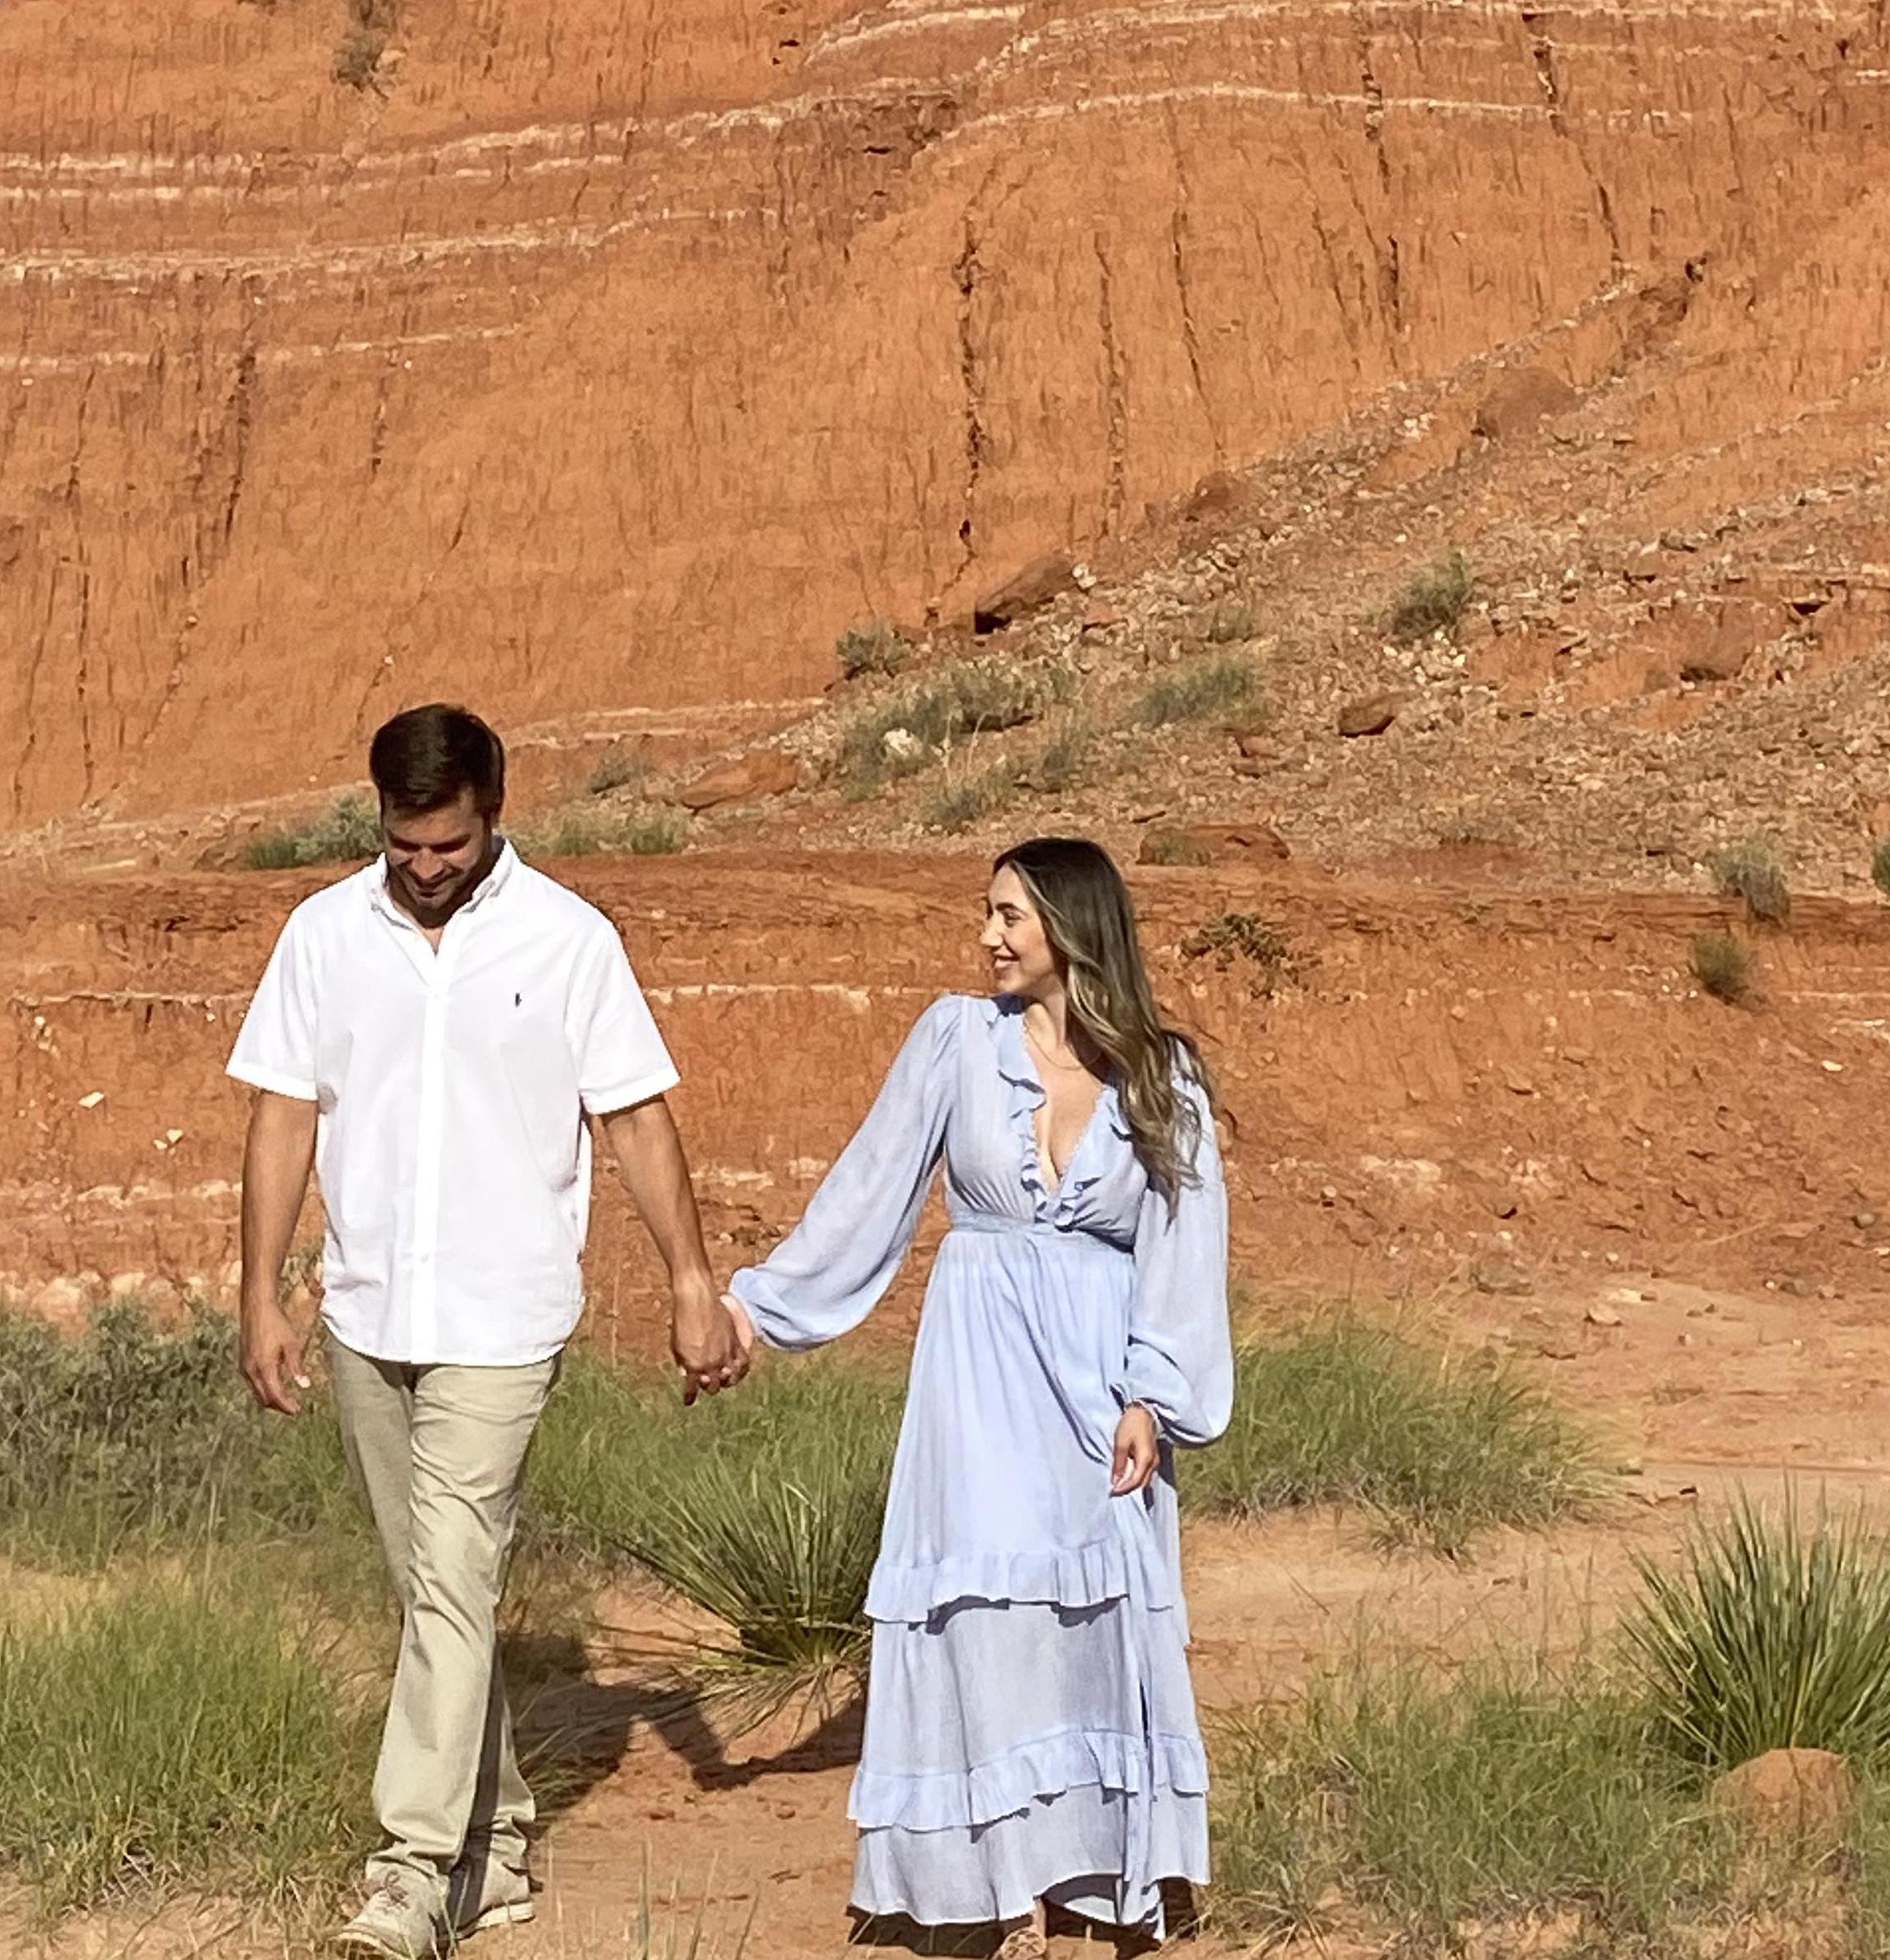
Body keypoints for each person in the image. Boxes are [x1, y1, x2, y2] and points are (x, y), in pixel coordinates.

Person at [230, 703, 745, 1958]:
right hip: (364, 1311)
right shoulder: (322, 935)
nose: (424, 868)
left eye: (447, 844)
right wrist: (259, 1291)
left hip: (503, 1318)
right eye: (404, 845)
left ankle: (414, 1868)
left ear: (493, 815)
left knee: (453, 1579)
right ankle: (499, 1836)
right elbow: (285, 1114)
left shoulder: (571, 940)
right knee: (432, 1594)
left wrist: (690, 1278)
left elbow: (632, 1117)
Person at [724, 836, 1233, 1957]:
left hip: (1098, 1382)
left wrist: (1151, 1394)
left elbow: (1183, 1247)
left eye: (1009, 914)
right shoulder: (956, 1039)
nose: (987, 934)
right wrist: (760, 1306)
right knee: (987, 1620)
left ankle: (1105, 1870)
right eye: (985, 912)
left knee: (1089, 1619)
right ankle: (1010, 1890)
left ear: (1070, 927)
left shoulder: (1161, 1072)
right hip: (979, 1368)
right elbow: (871, 1184)